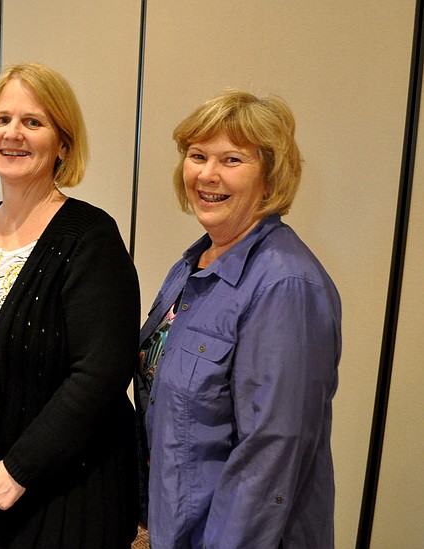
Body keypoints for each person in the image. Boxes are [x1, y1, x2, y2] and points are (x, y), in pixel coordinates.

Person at [0, 63, 141, 549]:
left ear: (63, 143)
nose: (12, 134)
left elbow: (101, 374)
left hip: (65, 492)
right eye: (1, 119)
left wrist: (20, 469)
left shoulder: (90, 237)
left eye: (33, 122)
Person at [134, 91, 341, 548]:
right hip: (180, 526)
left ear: (270, 176)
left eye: (232, 159)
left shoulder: (285, 285)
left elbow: (270, 457)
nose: (208, 174)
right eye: (197, 156)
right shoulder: (194, 264)